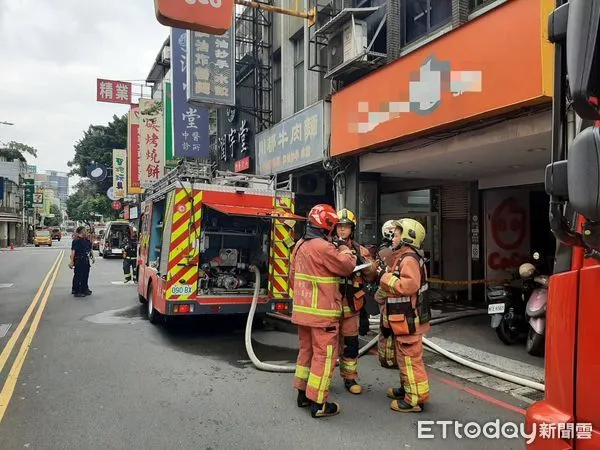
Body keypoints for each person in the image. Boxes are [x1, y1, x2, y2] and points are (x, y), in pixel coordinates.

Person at [290, 204, 357, 419]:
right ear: (328, 225)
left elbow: (292, 278)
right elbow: (347, 266)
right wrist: (343, 247)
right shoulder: (323, 247)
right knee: (324, 356)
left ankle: (302, 394)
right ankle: (318, 403)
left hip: (303, 312)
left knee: (306, 352)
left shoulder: (299, 245)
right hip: (323, 314)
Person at [375, 218, 431, 413]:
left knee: (410, 359)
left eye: (397, 234)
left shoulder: (409, 259)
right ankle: (408, 389)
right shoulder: (404, 256)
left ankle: (414, 399)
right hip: (403, 320)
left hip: (408, 320)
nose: (393, 237)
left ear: (407, 238)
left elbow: (408, 285)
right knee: (403, 358)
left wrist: (385, 277)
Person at [334, 208, 376, 395]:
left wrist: (363, 263)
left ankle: (349, 379)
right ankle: (323, 380)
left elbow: (372, 274)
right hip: (332, 304)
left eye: (346, 227)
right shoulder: (328, 247)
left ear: (352, 229)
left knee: (350, 344)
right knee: (329, 345)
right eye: (339, 226)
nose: (342, 230)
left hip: (352, 305)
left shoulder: (361, 249)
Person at [375, 220, 398, 369]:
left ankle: (387, 357)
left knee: (386, 327)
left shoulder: (384, 249)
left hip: (386, 291)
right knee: (388, 328)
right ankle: (388, 358)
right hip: (388, 292)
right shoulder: (387, 251)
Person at [69, 226, 93, 297]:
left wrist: (92, 257)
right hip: (79, 260)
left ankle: (84, 289)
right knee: (78, 276)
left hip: (85, 260)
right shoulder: (76, 241)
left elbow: (89, 249)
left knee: (85, 275)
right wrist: (72, 261)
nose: (86, 232)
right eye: (85, 231)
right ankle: (77, 291)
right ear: (82, 232)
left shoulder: (86, 240)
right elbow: (73, 251)